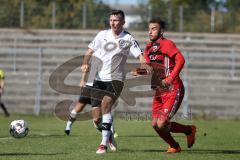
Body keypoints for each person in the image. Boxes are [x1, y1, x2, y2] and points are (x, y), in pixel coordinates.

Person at [81, 10, 145, 154]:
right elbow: (89, 52)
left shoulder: (128, 38)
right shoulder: (102, 35)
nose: (113, 23)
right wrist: (85, 63)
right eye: (111, 20)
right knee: (97, 119)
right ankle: (108, 134)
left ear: (123, 22)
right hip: (97, 78)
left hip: (116, 79)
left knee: (106, 104)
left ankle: (103, 144)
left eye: (116, 20)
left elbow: (141, 57)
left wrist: (143, 68)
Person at [136, 18, 196, 153]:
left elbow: (181, 59)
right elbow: (149, 69)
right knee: (155, 125)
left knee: (162, 123)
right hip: (159, 91)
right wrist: (138, 71)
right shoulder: (148, 48)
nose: (150, 32)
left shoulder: (166, 43)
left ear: (161, 31)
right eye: (149, 29)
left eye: (154, 29)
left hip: (173, 88)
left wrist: (169, 79)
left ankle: (189, 130)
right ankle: (176, 145)